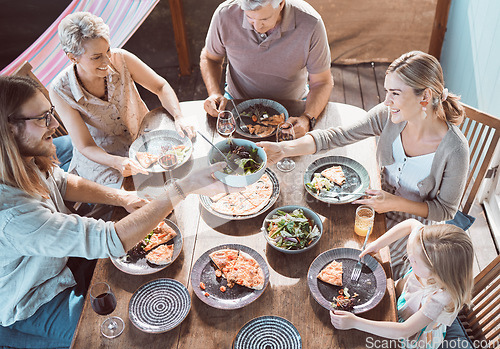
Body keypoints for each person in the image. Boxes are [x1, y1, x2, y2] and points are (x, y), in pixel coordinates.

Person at [0, 75, 236, 349]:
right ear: (9, 129)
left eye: (51, 113)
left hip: (61, 261)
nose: (55, 125)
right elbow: (110, 241)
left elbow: (64, 182)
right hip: (33, 300)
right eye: (42, 118)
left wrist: (123, 196)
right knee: (127, 336)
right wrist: (182, 188)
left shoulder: (25, 159)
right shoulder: (13, 214)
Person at [258, 51, 469, 279]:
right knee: (320, 244)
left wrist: (393, 203)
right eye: (387, 91)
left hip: (413, 224)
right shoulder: (388, 116)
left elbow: (445, 211)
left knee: (362, 268)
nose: (387, 101)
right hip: (375, 200)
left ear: (425, 97)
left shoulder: (455, 150)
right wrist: (283, 149)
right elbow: (335, 136)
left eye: (395, 94)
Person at [49, 12, 195, 187]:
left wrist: (179, 117)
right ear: (73, 57)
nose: (107, 60)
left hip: (143, 138)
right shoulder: (60, 90)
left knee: (186, 169)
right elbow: (86, 146)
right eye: (96, 57)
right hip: (102, 157)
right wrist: (116, 162)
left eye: (108, 50)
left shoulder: (122, 58)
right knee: (136, 200)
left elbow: (160, 87)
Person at [330, 219, 475, 349]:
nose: (409, 258)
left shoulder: (440, 299)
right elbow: (411, 223)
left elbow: (404, 331)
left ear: (437, 273)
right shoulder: (427, 243)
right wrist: (378, 244)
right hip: (401, 299)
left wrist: (355, 322)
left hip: (412, 334)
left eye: (415, 261)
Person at [200, 0, 333, 137]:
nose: (257, 27)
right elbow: (210, 58)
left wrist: (307, 118)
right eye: (250, 17)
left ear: (281, 4)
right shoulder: (224, 14)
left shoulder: (311, 23)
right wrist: (214, 93)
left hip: (293, 108)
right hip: (237, 103)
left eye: (264, 18)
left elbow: (322, 82)